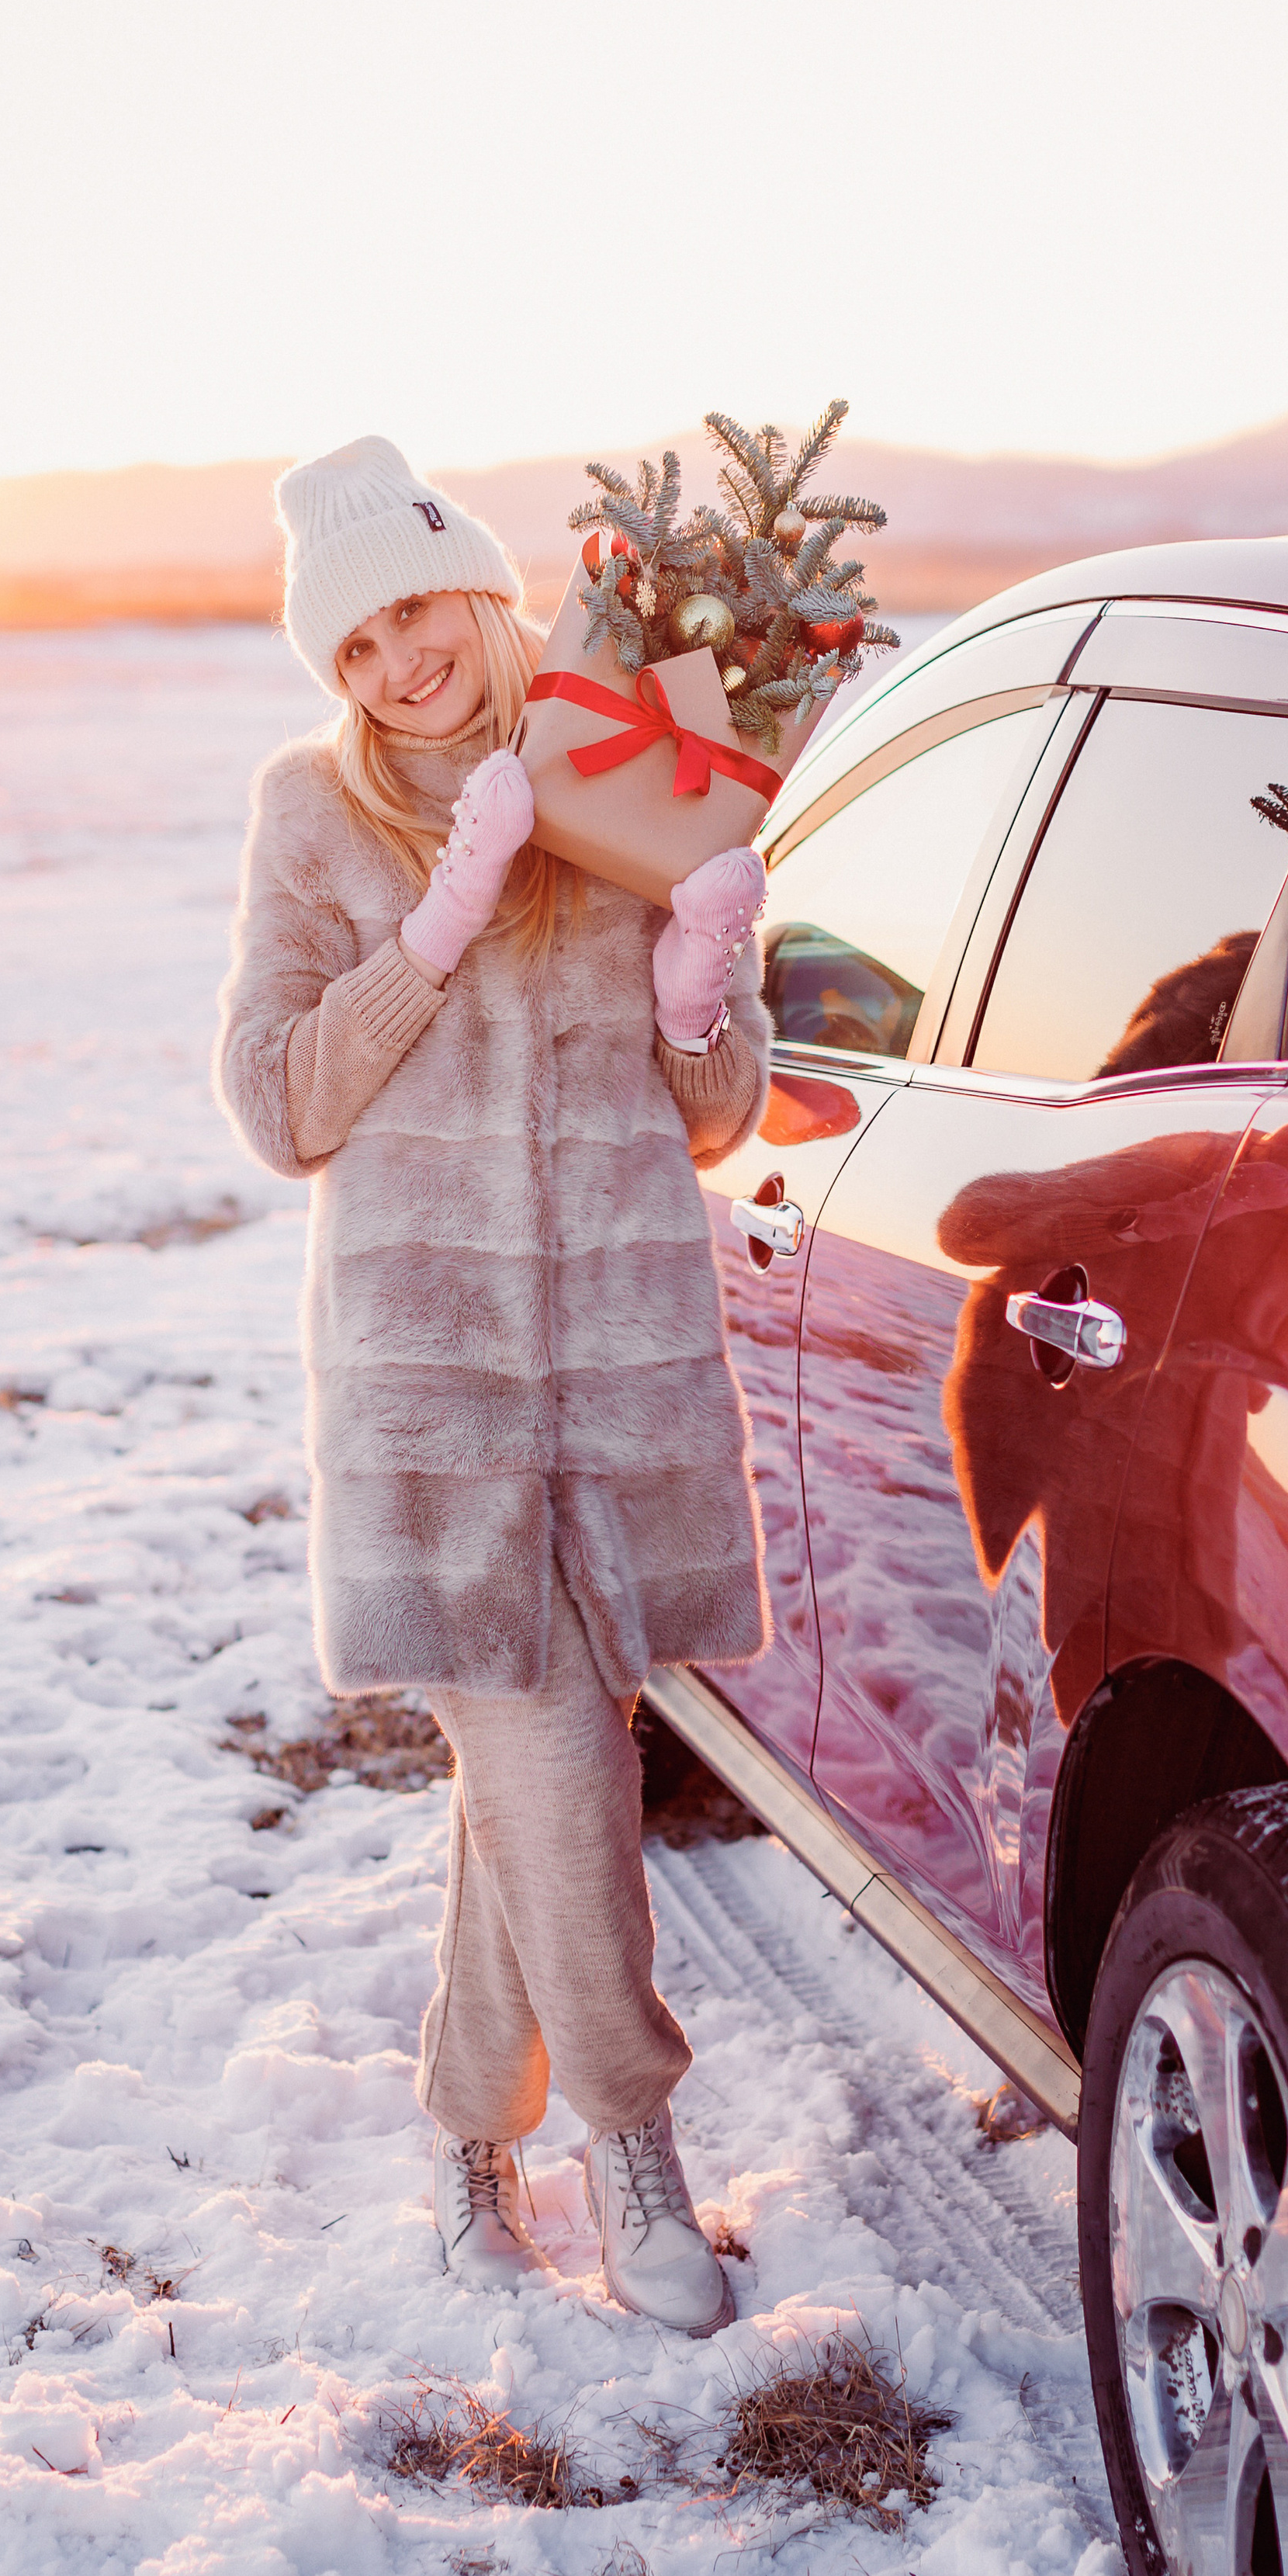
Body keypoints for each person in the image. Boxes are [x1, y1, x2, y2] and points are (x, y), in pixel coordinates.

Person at [214, 438, 770, 2333]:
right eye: (352, 644)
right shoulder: (313, 812)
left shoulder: (613, 775)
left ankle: (465, 2140)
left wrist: (704, 977)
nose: (394, 666)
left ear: (479, 592)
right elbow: (280, 1103)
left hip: (614, 1385)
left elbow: (704, 1117)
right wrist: (426, 937)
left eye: (413, 615)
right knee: (558, 1762)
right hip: (434, 1395)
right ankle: (632, 2146)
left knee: (523, 1785)